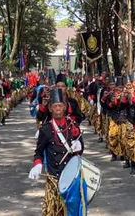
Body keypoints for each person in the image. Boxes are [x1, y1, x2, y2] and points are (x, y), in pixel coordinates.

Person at [28, 88, 84, 216]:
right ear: (50, 109)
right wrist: (37, 164)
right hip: (54, 177)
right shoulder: (45, 129)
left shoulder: (72, 126)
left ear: (64, 107)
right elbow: (38, 153)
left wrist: (78, 147)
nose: (58, 108)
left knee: (72, 210)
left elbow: (80, 151)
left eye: (60, 106)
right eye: (55, 106)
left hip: (71, 176)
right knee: (54, 211)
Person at [101, 76, 128, 162]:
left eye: (121, 87)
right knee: (112, 136)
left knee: (123, 137)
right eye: (111, 84)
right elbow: (107, 106)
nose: (119, 89)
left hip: (123, 118)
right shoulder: (110, 94)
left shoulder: (125, 95)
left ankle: (123, 155)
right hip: (113, 117)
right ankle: (114, 154)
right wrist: (112, 102)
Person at [122, 72, 135, 172]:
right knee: (130, 143)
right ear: (132, 84)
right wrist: (125, 97)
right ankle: (132, 163)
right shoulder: (128, 95)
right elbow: (121, 106)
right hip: (130, 121)